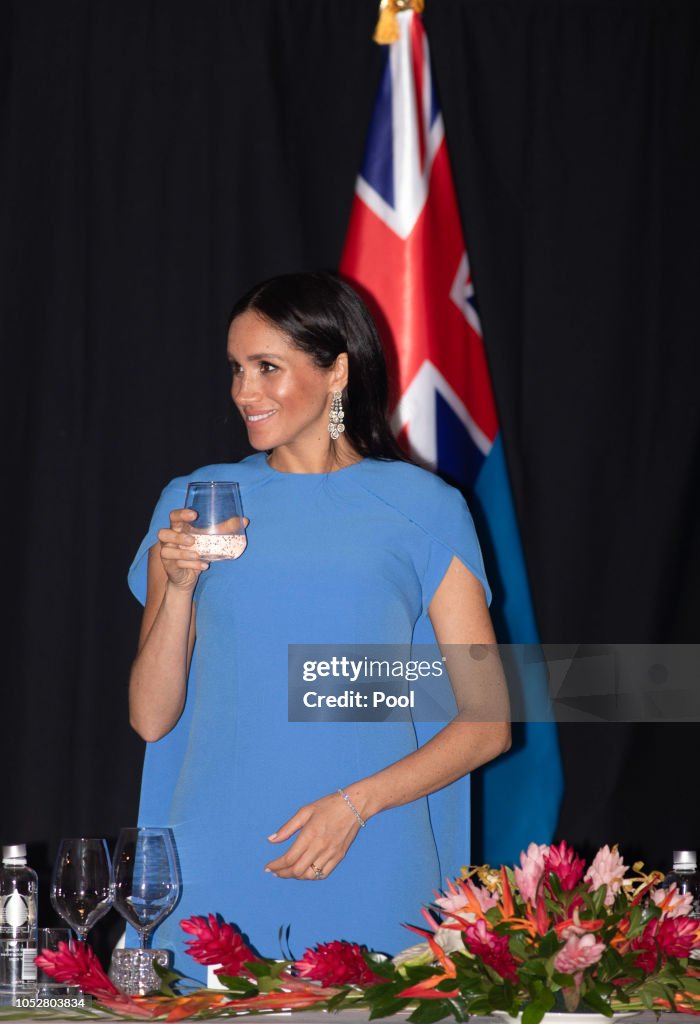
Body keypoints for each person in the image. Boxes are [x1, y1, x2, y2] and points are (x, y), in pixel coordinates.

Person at [127, 271, 510, 976]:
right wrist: (178, 586)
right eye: (238, 369)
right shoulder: (194, 503)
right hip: (215, 857)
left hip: (372, 845)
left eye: (268, 368)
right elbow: (151, 720)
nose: (245, 392)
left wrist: (353, 807)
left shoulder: (424, 508)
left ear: (337, 371)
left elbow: (487, 723)